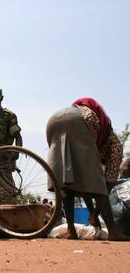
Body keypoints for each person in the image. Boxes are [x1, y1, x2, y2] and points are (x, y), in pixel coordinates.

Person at [46, 97, 128, 240]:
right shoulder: (114, 144)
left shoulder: (98, 139)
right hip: (81, 119)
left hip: (54, 120)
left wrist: (93, 213)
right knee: (98, 184)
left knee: (66, 181)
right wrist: (94, 214)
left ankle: (71, 231)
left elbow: (85, 185)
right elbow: (105, 186)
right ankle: (113, 232)